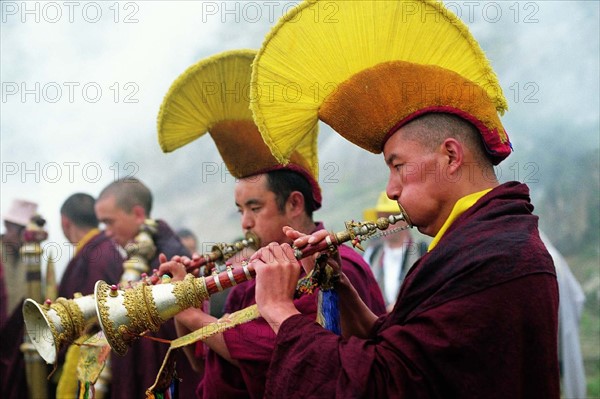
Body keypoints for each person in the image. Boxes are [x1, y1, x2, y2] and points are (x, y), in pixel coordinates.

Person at [248, 1, 560, 398]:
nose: (391, 190)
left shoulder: (496, 256)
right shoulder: (478, 245)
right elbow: (393, 345)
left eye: (398, 166)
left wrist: (279, 310)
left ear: (450, 156)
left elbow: (385, 384)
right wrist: (338, 284)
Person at [156, 50, 386, 399]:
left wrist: (190, 314)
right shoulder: (258, 273)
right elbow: (208, 363)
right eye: (239, 211)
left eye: (254, 207)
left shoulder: (333, 267)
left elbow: (275, 353)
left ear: (294, 203)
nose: (246, 222)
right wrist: (186, 299)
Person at [94, 178, 199, 399]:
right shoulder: (138, 255)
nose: (107, 232)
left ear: (138, 214)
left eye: (109, 222)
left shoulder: (171, 258)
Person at [54, 193, 125, 397]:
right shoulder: (104, 249)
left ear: (65, 222)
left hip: (97, 361)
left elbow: (93, 318)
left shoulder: (95, 255)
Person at [541, 232, 587, 398]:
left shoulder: (544, 257)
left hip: (552, 343)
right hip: (557, 342)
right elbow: (578, 298)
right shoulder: (550, 256)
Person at [362, 192, 426, 312]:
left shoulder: (422, 252)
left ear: (405, 219)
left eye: (389, 217)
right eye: (380, 217)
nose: (383, 224)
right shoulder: (371, 255)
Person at [0, 199, 38, 399]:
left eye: (26, 232)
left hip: (21, 346)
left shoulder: (35, 257)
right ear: (8, 226)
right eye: (19, 230)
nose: (22, 237)